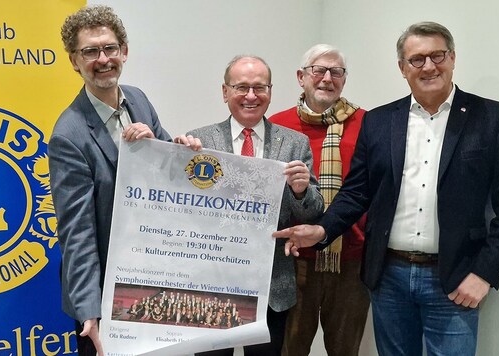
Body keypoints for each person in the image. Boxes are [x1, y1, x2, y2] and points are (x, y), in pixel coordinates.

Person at [273, 21, 499, 356]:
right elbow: (357, 192)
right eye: (417, 59)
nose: (429, 66)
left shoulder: (492, 118)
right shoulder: (380, 120)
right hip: (389, 277)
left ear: (453, 58)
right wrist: (322, 229)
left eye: (438, 56)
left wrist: (484, 274)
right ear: (402, 68)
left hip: (456, 279)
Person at [48, 5, 199, 356]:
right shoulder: (68, 135)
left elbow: (167, 181)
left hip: (154, 277)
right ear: (74, 60)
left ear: (124, 52)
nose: (103, 59)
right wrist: (90, 312)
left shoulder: (139, 100)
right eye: (90, 51)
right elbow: (77, 232)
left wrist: (178, 150)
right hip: (106, 294)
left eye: (110, 48)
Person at [190, 55, 324, 356]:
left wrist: (302, 191)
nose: (251, 96)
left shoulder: (294, 143)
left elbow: (312, 213)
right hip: (211, 286)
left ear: (270, 91)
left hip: (271, 286)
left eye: (259, 88)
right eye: (241, 87)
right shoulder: (198, 141)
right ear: (225, 92)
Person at [269, 44, 369, 356]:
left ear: (344, 79)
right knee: (289, 348)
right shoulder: (277, 125)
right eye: (318, 70)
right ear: (301, 77)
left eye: (336, 71)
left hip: (351, 261)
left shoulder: (368, 124)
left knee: (345, 349)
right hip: (293, 261)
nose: (327, 78)